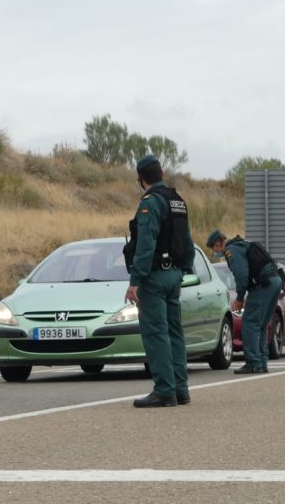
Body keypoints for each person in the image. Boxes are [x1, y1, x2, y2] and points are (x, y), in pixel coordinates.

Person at [123, 155, 194, 408]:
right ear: (161, 172)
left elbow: (145, 243)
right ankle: (181, 389)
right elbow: (187, 240)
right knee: (175, 332)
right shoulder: (177, 201)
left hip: (153, 276)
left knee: (156, 334)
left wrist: (135, 280)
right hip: (174, 274)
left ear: (140, 179)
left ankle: (164, 390)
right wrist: (184, 269)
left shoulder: (150, 203)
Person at [206, 230, 282, 374]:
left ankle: (253, 363)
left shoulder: (231, 251)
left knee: (249, 323)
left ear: (218, 243)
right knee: (261, 325)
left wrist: (240, 298)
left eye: (213, 248)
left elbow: (241, 275)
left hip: (263, 283)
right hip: (275, 281)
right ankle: (262, 362)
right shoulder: (242, 244)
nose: (214, 251)